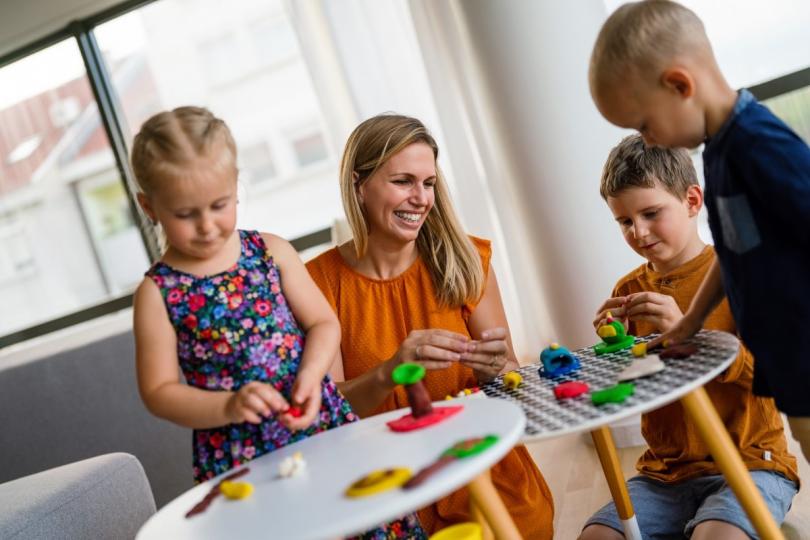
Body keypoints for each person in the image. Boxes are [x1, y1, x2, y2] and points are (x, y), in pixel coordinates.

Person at [131, 106, 425, 538]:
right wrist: (228, 407)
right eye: (185, 214)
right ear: (149, 206)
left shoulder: (271, 251)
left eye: (219, 205)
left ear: (236, 188)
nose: (208, 226)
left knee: (370, 522)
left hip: (319, 420)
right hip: (239, 457)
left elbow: (324, 325)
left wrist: (310, 377)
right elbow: (158, 392)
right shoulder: (157, 293)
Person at [306, 113, 555, 538]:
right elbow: (330, 411)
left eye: (428, 183)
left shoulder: (466, 262)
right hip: (388, 485)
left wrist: (496, 370)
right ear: (358, 184)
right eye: (403, 181)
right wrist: (390, 369)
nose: (421, 198)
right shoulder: (317, 283)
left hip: (476, 467)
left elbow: (511, 373)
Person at [588, 0, 810, 463]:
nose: (647, 139)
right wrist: (691, 322)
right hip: (789, 354)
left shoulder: (756, 144)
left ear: (679, 85)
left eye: (644, 124)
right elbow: (734, 252)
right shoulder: (719, 152)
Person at [579, 134, 798, 540]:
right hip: (665, 475)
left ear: (693, 201)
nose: (639, 232)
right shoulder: (628, 290)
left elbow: (773, 376)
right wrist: (615, 352)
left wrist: (689, 329)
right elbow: (634, 385)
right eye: (625, 221)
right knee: (596, 535)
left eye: (651, 213)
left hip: (752, 462)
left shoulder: (739, 275)